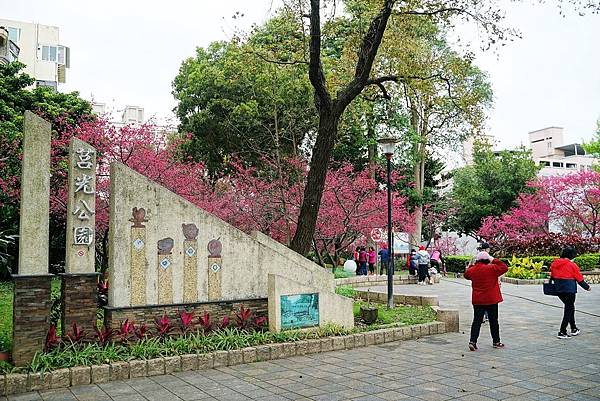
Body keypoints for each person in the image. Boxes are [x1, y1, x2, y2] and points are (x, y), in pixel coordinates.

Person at [464, 251, 508, 351]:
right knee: (493, 321)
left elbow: (466, 274)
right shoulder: (492, 268)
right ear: (487, 260)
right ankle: (496, 341)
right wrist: (494, 260)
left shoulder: (473, 270)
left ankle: (473, 341)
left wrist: (472, 264)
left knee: (477, 321)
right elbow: (504, 267)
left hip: (478, 300)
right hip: (491, 299)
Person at [549, 246, 591, 339]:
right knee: (569, 309)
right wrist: (587, 287)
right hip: (569, 290)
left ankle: (574, 328)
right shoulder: (572, 265)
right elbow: (579, 279)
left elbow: (552, 276)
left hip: (559, 290)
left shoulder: (554, 264)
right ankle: (562, 331)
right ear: (572, 255)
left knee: (570, 307)